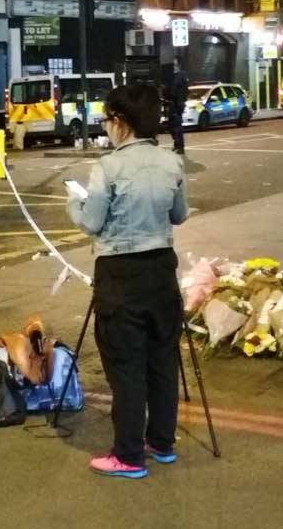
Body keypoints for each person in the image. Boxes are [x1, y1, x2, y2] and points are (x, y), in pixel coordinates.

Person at [66, 83, 189, 480]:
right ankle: (162, 443)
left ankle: (128, 455)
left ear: (120, 121)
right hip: (162, 272)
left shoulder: (108, 167)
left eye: (107, 119)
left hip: (120, 275)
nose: (107, 126)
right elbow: (179, 215)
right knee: (163, 358)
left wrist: (74, 201)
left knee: (126, 366)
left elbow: (92, 222)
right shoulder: (172, 161)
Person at [168, 60, 188, 155]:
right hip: (178, 103)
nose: (173, 67)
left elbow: (173, 91)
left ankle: (179, 146)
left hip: (176, 104)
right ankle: (178, 145)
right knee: (175, 125)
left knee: (176, 126)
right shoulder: (181, 76)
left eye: (175, 64)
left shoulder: (178, 77)